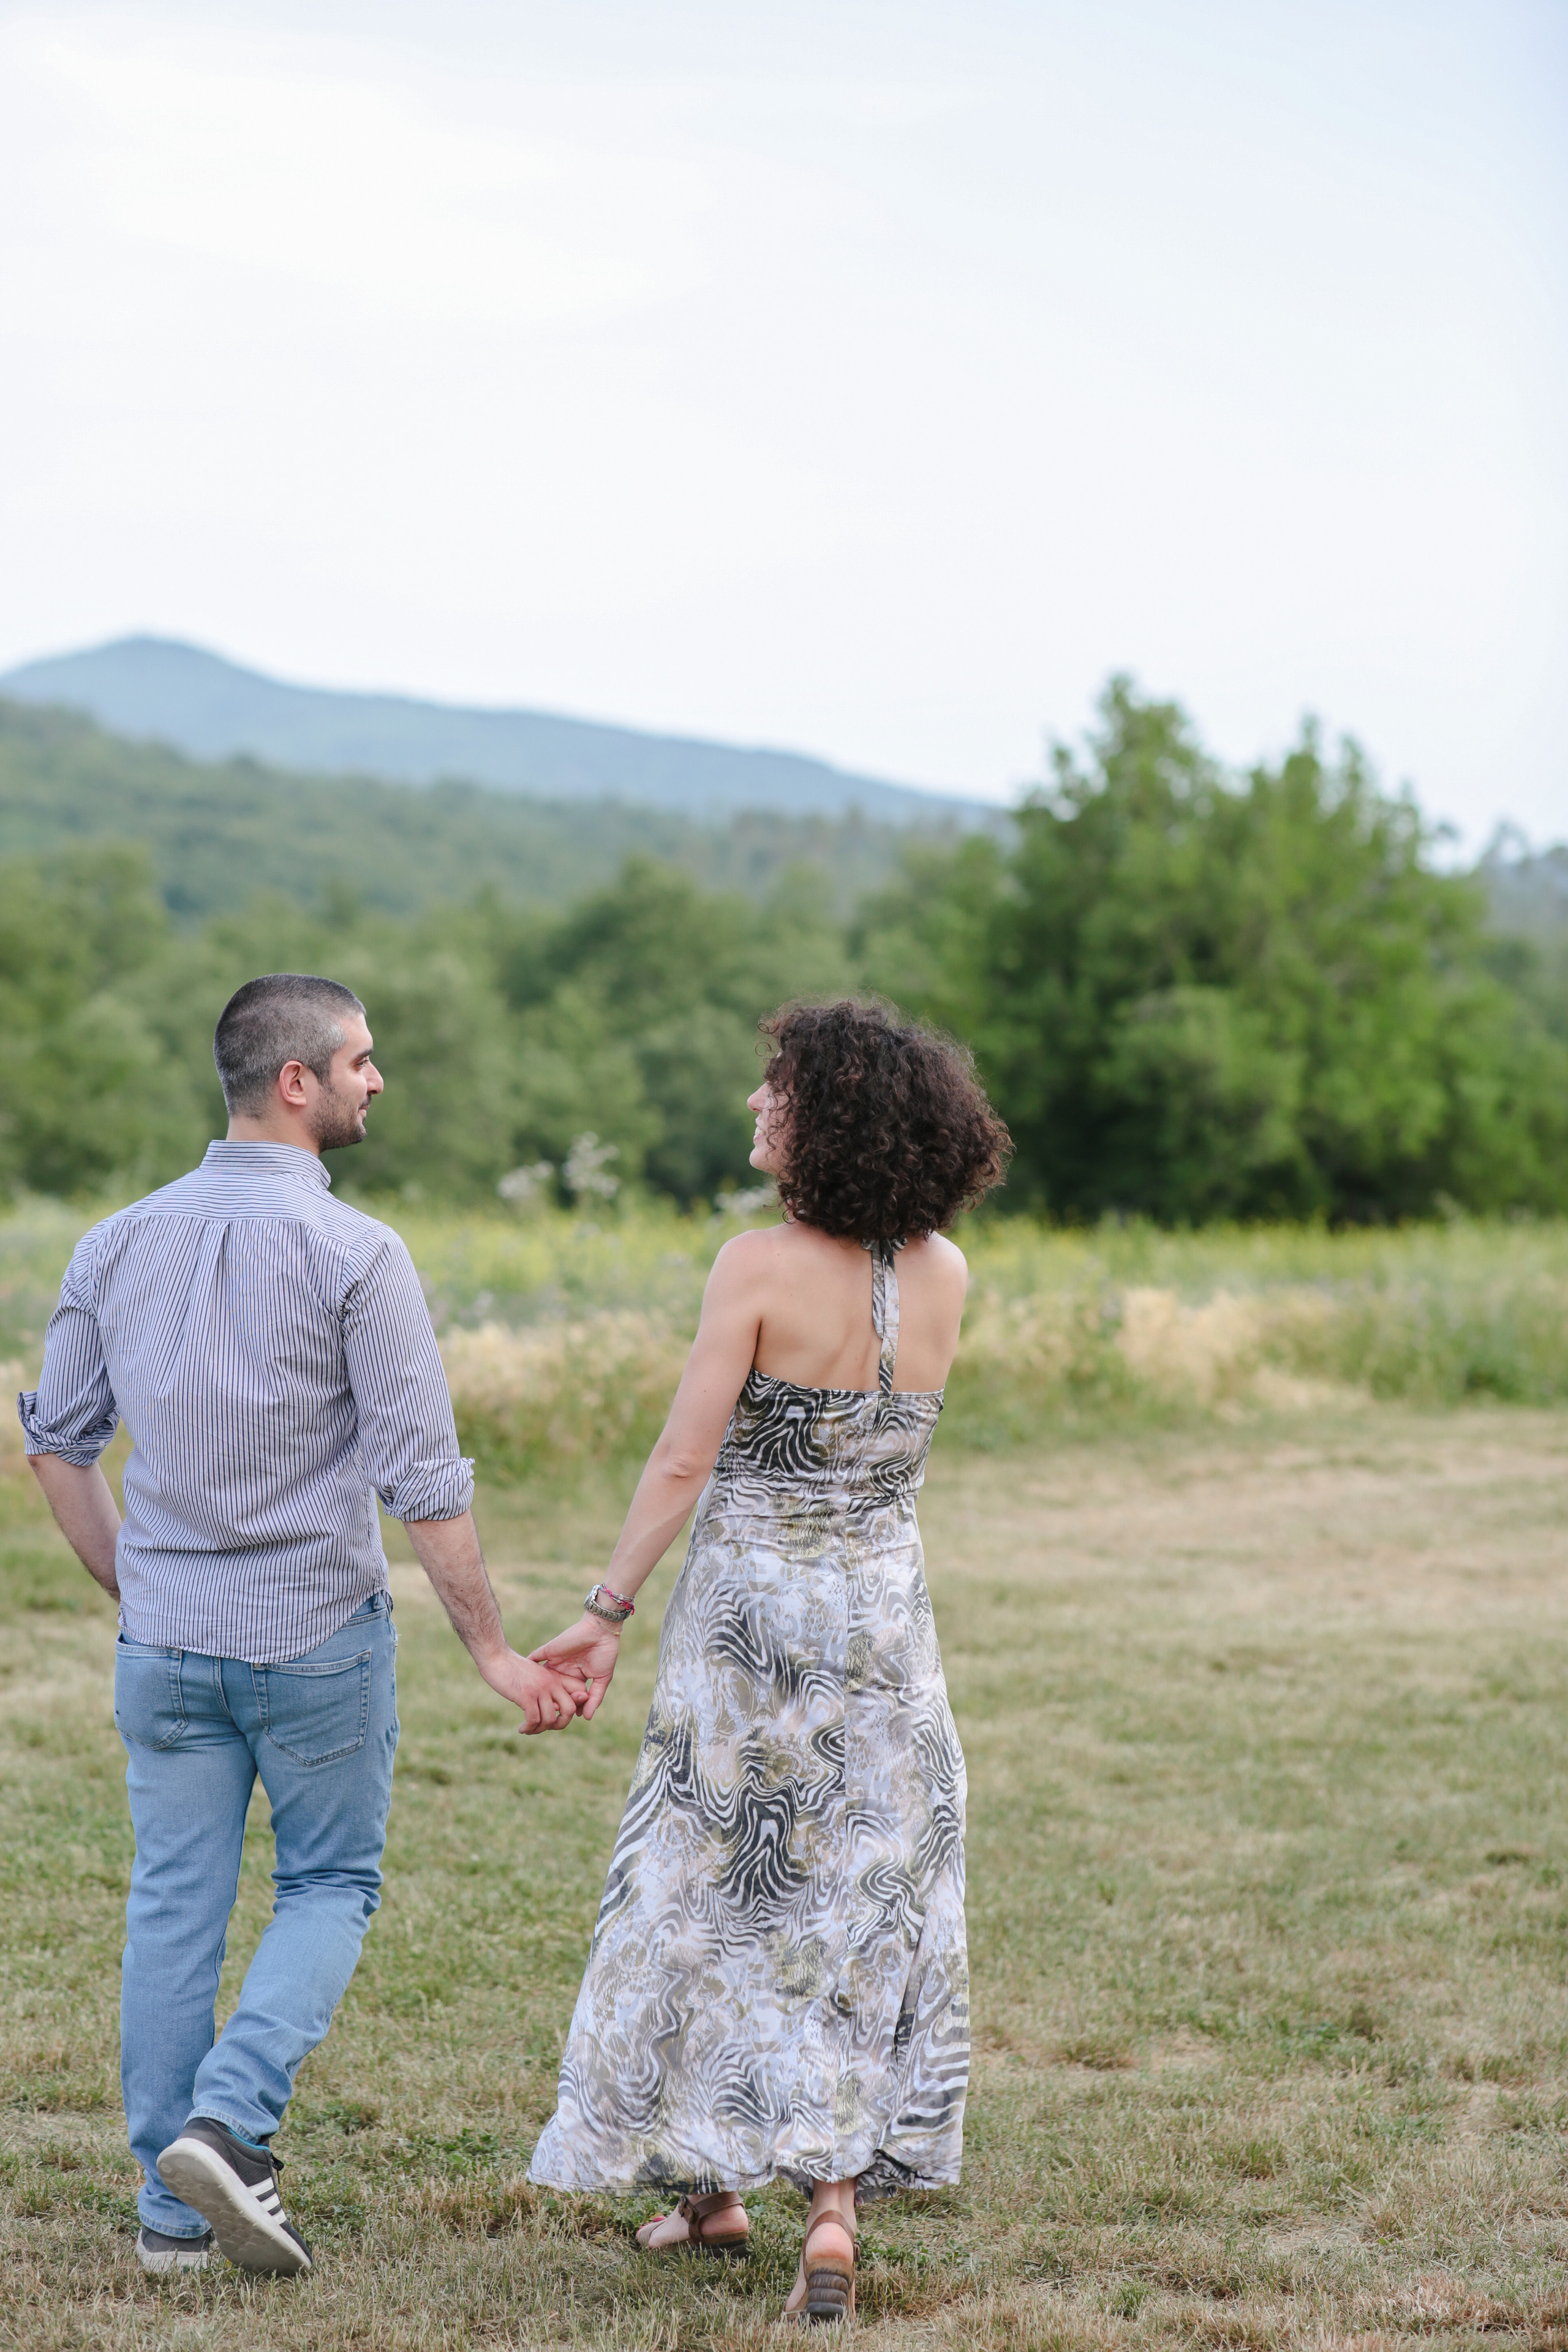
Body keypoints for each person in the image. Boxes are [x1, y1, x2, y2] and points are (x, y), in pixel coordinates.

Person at [18, 974, 578, 2281]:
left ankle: (170, 2223)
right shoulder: (358, 1253)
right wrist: (494, 1652)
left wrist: (141, 1589)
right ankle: (227, 2125)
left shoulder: (112, 1243)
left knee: (174, 1905)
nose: (376, 1080)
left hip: (166, 1647)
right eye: (360, 1060)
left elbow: (57, 1444)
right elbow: (424, 1480)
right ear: (294, 1082)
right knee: (329, 1884)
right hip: (317, 1638)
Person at [526, 998, 1009, 2326]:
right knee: (860, 1889)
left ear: (831, 1120)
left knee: (716, 1882)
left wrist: (605, 1607)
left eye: (776, 1089)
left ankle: (720, 2182)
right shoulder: (946, 1272)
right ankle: (806, 2207)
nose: (755, 1103)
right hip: (885, 1622)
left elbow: (687, 1455)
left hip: (750, 1623)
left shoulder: (754, 1265)